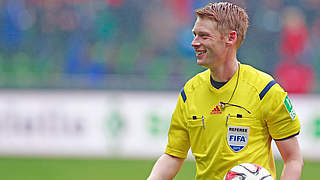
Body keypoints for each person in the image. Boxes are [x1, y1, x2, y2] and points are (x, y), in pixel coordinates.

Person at [147, 2, 303, 180]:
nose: (194, 43)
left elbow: (293, 159)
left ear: (230, 38)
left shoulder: (265, 90)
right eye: (195, 35)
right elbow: (173, 155)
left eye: (204, 36)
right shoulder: (190, 92)